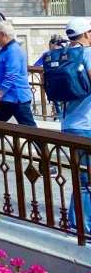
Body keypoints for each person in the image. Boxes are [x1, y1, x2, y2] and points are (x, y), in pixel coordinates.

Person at [59, 17, 91, 230]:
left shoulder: (62, 54)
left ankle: (76, 222)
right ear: (87, 33)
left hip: (69, 123)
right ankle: (83, 226)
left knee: (81, 176)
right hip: (86, 125)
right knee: (87, 180)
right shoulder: (88, 54)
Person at [0, 21, 36, 126]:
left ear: (3, 34)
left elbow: (11, 77)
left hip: (17, 98)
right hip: (8, 98)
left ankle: (42, 143)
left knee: (31, 131)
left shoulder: (13, 51)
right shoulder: (6, 50)